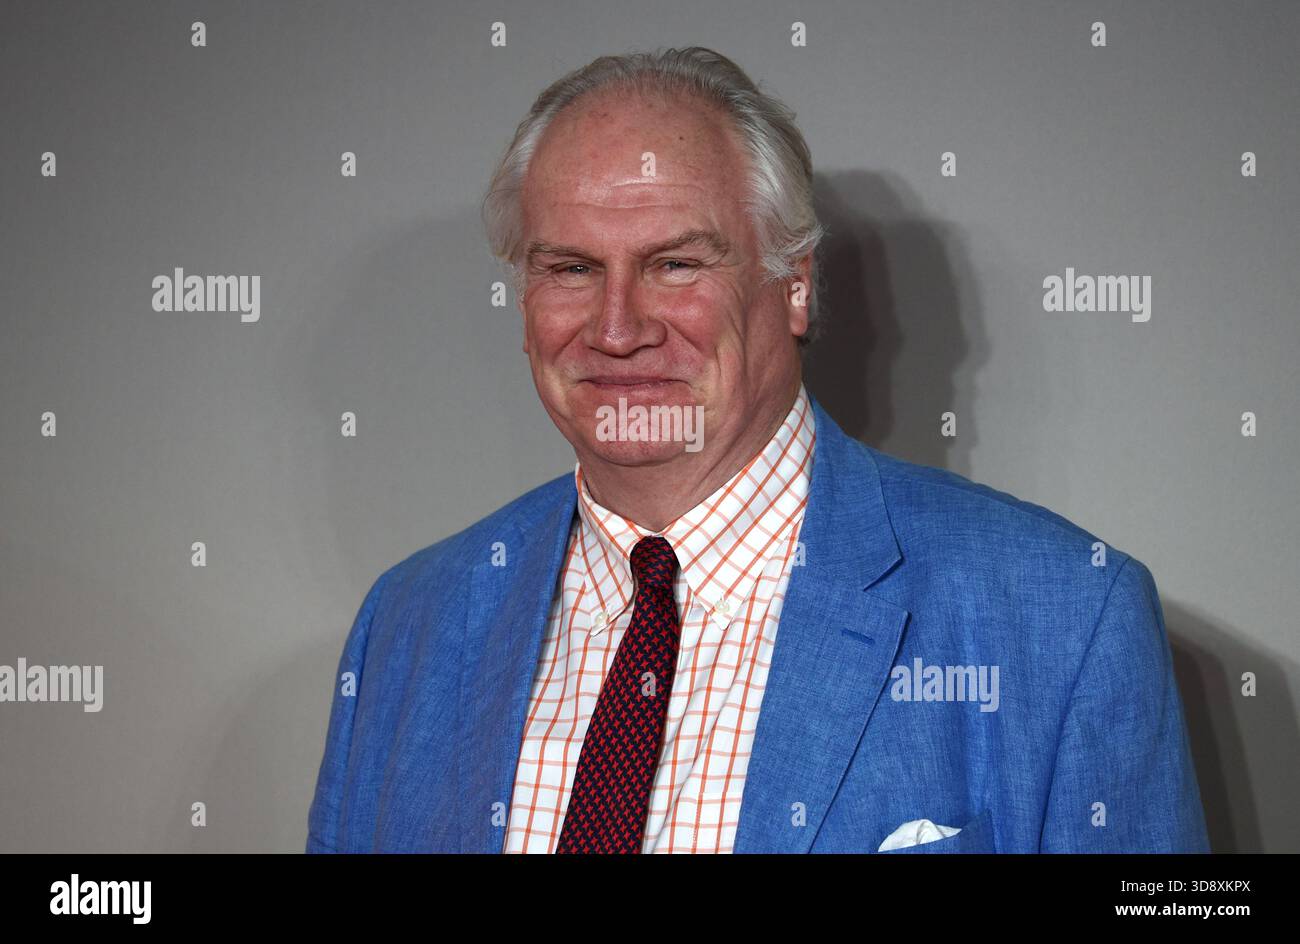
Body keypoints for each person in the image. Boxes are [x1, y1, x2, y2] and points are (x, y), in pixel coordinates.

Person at [307, 46, 1209, 854]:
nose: (617, 329)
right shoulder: (410, 624)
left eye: (678, 264)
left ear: (796, 288)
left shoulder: (1062, 619)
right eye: (572, 269)